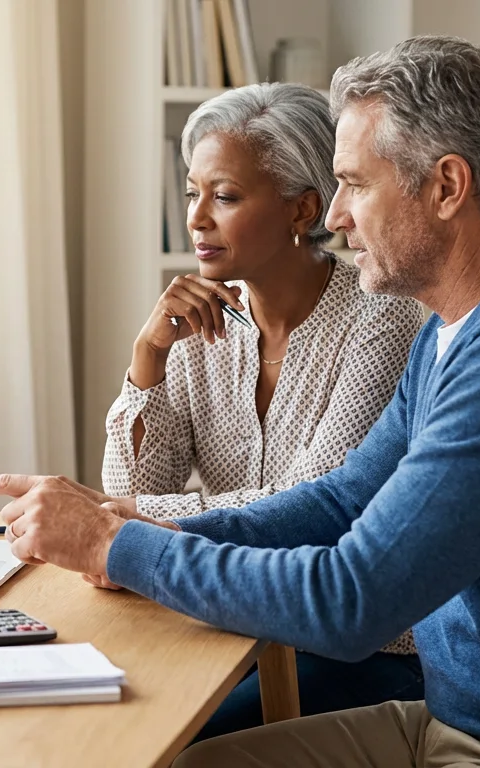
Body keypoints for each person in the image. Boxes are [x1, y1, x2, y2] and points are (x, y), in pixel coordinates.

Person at [0, 34, 480, 768]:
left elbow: (349, 600)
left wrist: (111, 546)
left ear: (446, 186)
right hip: (471, 722)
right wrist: (145, 523)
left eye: (355, 185)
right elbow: (339, 502)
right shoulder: (456, 329)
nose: (332, 216)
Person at [100, 83, 424, 737]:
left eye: (224, 196)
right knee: (104, 710)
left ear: (301, 209)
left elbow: (315, 507)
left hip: (359, 648)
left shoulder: (378, 320)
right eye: (192, 192)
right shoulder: (197, 321)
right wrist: (147, 358)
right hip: (237, 621)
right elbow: (129, 493)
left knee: (168, 737)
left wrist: (124, 522)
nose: (195, 218)